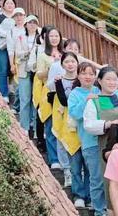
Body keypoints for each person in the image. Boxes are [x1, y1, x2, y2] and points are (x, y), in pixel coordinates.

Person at [68, 62, 102, 214]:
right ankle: (96, 207)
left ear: (95, 77)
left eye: (91, 73)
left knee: (98, 175)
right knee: (92, 174)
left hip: (102, 139)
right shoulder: (75, 93)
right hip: (87, 139)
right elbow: (75, 113)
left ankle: (94, 201)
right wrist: (87, 99)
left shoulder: (98, 90)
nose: (88, 76)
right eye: (84, 73)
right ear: (78, 75)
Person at [48, 52, 80, 190]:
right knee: (62, 142)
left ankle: (77, 173)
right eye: (67, 62)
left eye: (73, 61)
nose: (70, 64)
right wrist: (56, 81)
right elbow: (49, 87)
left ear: (77, 63)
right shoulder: (58, 80)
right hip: (62, 115)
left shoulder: (81, 79)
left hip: (77, 118)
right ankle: (67, 171)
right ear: (62, 64)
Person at [36, 26, 64, 169]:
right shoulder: (42, 55)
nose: (54, 38)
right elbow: (39, 74)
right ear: (47, 38)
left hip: (63, 93)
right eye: (51, 36)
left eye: (56, 36)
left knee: (62, 126)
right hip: (49, 93)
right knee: (50, 125)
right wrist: (51, 68)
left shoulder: (65, 55)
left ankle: (64, 160)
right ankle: (53, 159)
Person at [7, 7, 34, 131]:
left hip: (35, 70)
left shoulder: (36, 34)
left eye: (21, 15)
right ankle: (25, 127)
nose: (19, 17)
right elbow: (12, 50)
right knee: (24, 97)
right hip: (22, 67)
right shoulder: (13, 32)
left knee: (34, 98)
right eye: (16, 15)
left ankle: (33, 125)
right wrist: (12, 64)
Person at [0, 0, 16, 102]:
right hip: (3, 46)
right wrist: (9, 35)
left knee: (14, 68)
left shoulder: (18, 17)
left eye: (12, 3)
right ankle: (4, 93)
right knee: (2, 69)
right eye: (8, 3)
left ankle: (12, 88)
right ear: (3, 5)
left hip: (16, 47)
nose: (10, 5)